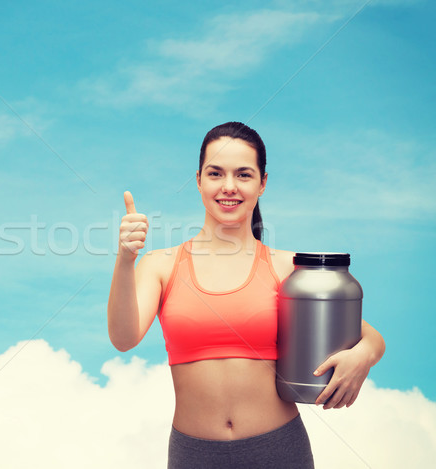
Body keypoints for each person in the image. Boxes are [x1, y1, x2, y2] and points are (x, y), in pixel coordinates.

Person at [107, 122, 386, 468]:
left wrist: (365, 356)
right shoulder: (160, 265)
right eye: (215, 173)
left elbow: (365, 333)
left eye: (243, 174)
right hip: (194, 455)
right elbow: (123, 337)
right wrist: (125, 259)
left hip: (279, 450)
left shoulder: (287, 268)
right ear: (198, 180)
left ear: (262, 183)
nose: (228, 187)